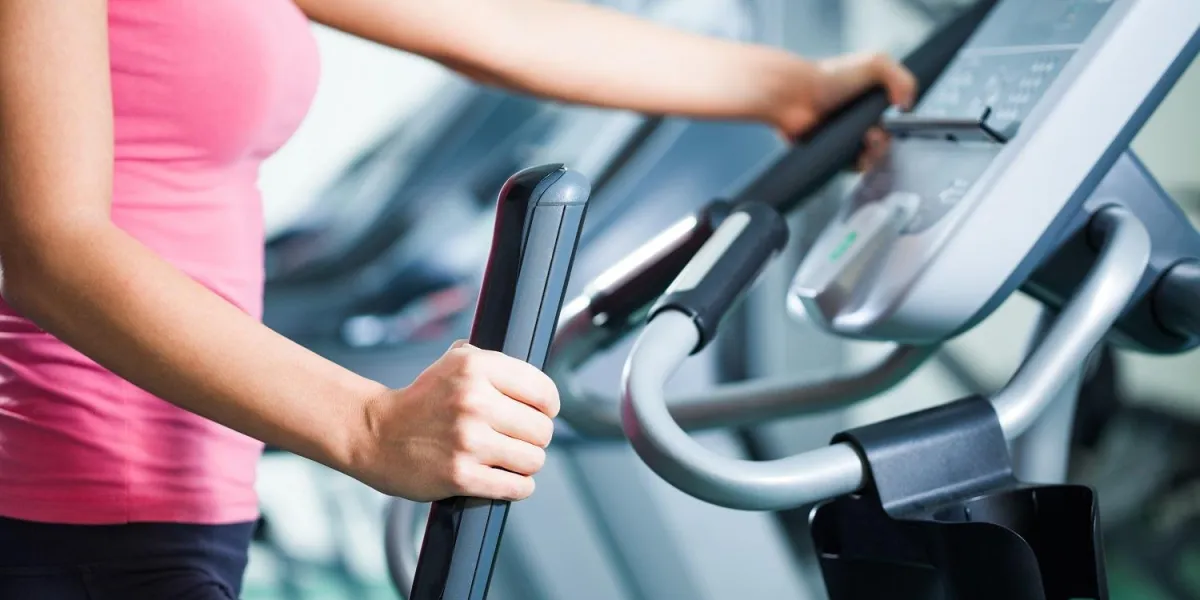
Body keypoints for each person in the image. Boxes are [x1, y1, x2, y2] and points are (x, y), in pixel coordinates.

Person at [0, 0, 916, 597]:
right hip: (59, 505)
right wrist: (370, 428)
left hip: (179, 494)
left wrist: (789, 86)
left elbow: (491, 24)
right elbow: (48, 246)